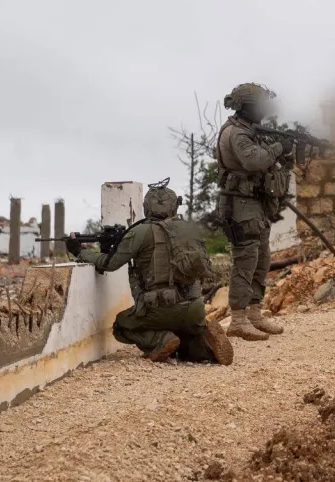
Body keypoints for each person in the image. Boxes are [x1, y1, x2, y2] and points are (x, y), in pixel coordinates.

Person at [70, 183, 233, 365]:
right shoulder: (189, 230)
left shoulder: (139, 232)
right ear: (175, 206)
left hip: (159, 308)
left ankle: (159, 340)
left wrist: (79, 251)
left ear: (147, 207)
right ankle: (204, 346)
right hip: (194, 309)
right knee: (185, 344)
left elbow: (109, 264)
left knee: (121, 326)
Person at [216, 83, 292, 341]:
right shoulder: (237, 133)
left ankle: (254, 313)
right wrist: (279, 148)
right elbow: (254, 161)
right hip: (240, 205)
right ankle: (238, 320)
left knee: (261, 259)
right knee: (245, 260)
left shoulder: (250, 130)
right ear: (245, 107)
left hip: (255, 203)